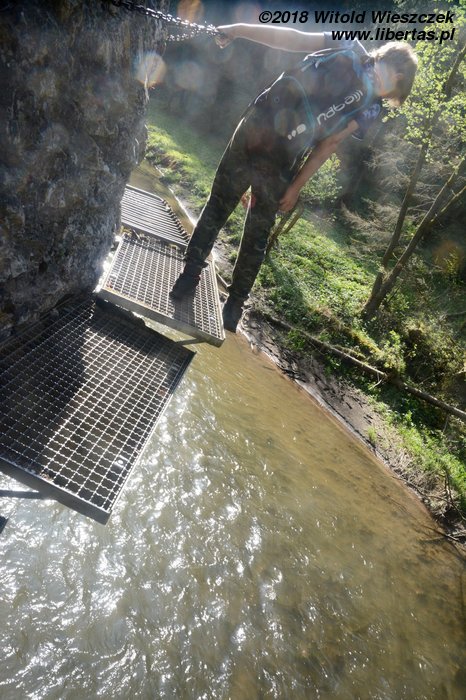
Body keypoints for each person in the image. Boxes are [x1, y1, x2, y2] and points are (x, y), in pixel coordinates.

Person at [170, 24, 418, 332]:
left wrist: (236, 30)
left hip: (257, 125)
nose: (386, 95)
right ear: (396, 77)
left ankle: (188, 278)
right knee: (258, 232)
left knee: (218, 204)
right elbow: (329, 143)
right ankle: (233, 308)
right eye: (392, 92)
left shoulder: (346, 44)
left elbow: (289, 39)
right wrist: (296, 186)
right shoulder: (371, 108)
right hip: (283, 156)